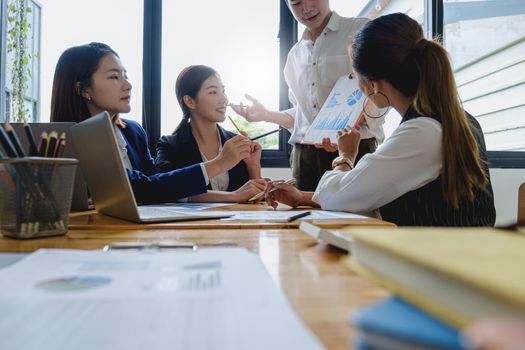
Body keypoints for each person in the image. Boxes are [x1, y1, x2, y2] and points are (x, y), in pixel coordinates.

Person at [264, 13, 496, 226]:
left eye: (355, 76)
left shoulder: (421, 133)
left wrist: (345, 157)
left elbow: (338, 197)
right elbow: (370, 191)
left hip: (432, 264)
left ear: (372, 85)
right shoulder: (459, 120)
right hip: (460, 259)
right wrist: (302, 197)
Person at [50, 42, 266, 204]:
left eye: (125, 75)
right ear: (84, 90)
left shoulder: (133, 132)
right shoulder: (70, 140)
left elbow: (158, 185)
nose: (128, 85)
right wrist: (219, 164)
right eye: (114, 77)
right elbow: (146, 188)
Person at [231, 0, 384, 191]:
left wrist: (343, 131)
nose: (306, 8)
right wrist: (266, 115)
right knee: (304, 219)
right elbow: (303, 117)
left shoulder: (359, 30)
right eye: (296, 3)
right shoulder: (294, 55)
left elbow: (382, 89)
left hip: (354, 148)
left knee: (358, 218)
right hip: (304, 158)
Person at [155, 65, 263, 199]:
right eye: (213, 92)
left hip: (236, 220)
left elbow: (255, 196)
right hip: (193, 221)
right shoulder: (170, 145)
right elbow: (167, 190)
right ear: (190, 101)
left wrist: (253, 167)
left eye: (223, 91)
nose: (224, 99)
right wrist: (233, 196)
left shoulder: (236, 143)